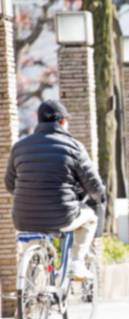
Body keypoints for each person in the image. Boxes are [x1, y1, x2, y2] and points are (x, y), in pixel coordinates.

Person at [4, 100, 106, 280]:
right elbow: (94, 186)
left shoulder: (19, 147)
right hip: (62, 215)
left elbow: (10, 185)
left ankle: (31, 283)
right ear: (62, 122)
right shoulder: (73, 146)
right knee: (90, 218)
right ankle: (77, 263)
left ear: (39, 121)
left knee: (34, 237)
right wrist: (100, 197)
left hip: (23, 217)